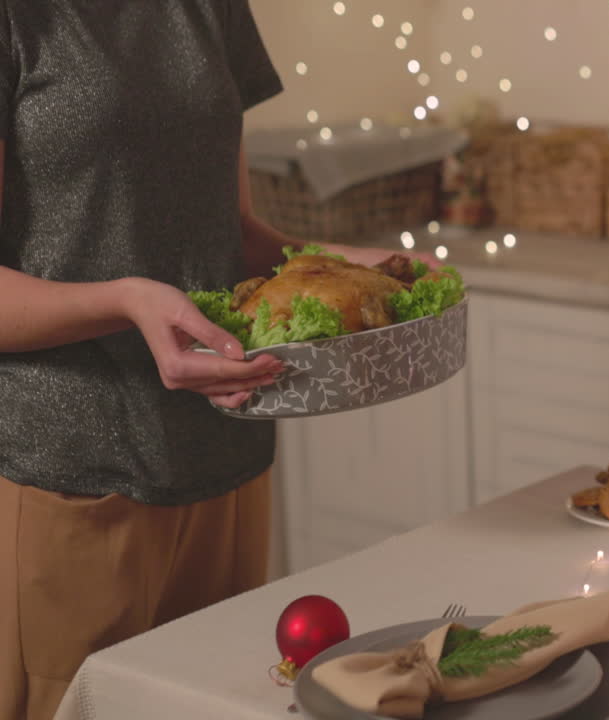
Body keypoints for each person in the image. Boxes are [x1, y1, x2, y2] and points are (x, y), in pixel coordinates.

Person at [0, 3, 435, 718]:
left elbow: (225, 231)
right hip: (74, 481)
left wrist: (340, 267)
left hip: (228, 460)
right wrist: (128, 301)